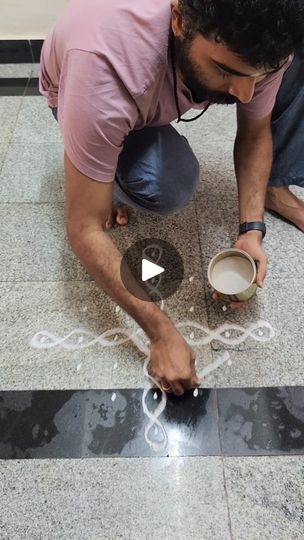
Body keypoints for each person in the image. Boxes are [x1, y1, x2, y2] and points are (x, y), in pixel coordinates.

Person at [39, 0, 304, 396]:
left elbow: (254, 133)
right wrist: (161, 333)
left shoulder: (263, 40)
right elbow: (83, 228)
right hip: (78, 89)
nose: (246, 93)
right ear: (178, 20)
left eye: (260, 76)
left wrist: (252, 230)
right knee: (169, 184)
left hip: (144, 87)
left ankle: (110, 155)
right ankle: (101, 163)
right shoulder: (103, 67)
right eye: (226, 70)